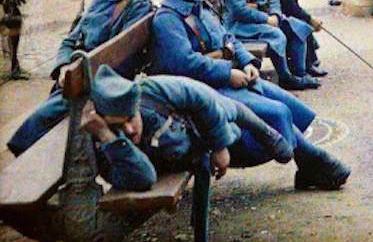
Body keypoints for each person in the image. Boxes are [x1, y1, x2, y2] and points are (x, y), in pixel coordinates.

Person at [150, 0, 348, 189]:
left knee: (286, 101)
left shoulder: (199, 6)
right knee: (275, 112)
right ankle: (313, 161)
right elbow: (184, 64)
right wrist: (228, 73)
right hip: (199, 90)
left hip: (222, 77)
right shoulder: (168, 18)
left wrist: (246, 62)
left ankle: (310, 164)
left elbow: (227, 37)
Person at [83, 65, 349, 192]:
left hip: (203, 124)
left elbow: (204, 96)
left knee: (268, 112)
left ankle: (295, 150)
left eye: (131, 118)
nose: (129, 129)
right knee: (270, 115)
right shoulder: (107, 145)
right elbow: (143, 179)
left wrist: (220, 145)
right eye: (118, 126)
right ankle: (311, 161)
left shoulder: (150, 92)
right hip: (193, 142)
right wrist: (109, 137)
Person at [7, 0, 153, 156]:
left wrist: (78, 72)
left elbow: (122, 56)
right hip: (78, 75)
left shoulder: (135, 2)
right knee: (44, 120)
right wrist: (64, 67)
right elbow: (70, 40)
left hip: (102, 80)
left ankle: (33, 167)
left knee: (41, 121)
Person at [269, 0, 327, 77]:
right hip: (270, 18)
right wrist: (310, 19)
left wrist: (308, 19)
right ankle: (304, 68)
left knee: (303, 22)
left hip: (278, 15)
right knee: (301, 26)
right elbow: (290, 8)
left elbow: (292, 8)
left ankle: (310, 62)